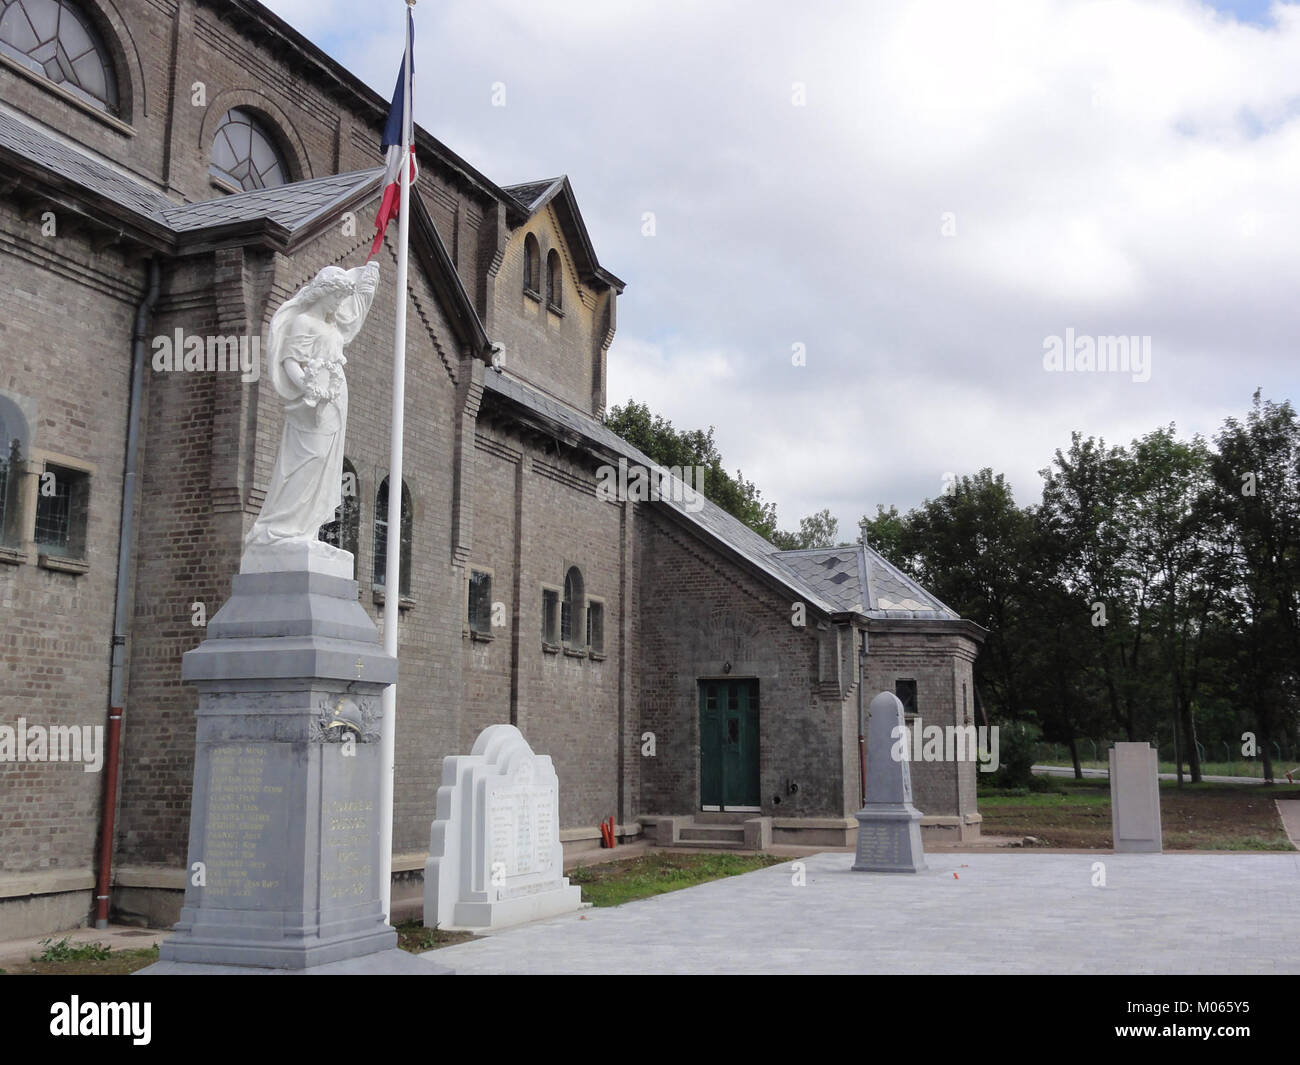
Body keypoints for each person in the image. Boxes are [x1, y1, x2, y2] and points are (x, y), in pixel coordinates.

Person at [242, 261, 379, 567]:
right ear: (322, 293)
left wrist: (367, 286)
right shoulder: (303, 322)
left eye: (342, 300)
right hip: (310, 404)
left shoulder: (333, 327)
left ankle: (305, 530)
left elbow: (353, 320)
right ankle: (280, 528)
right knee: (305, 461)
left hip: (333, 403)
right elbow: (290, 361)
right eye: (336, 298)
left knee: (325, 466)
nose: (339, 305)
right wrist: (308, 387)